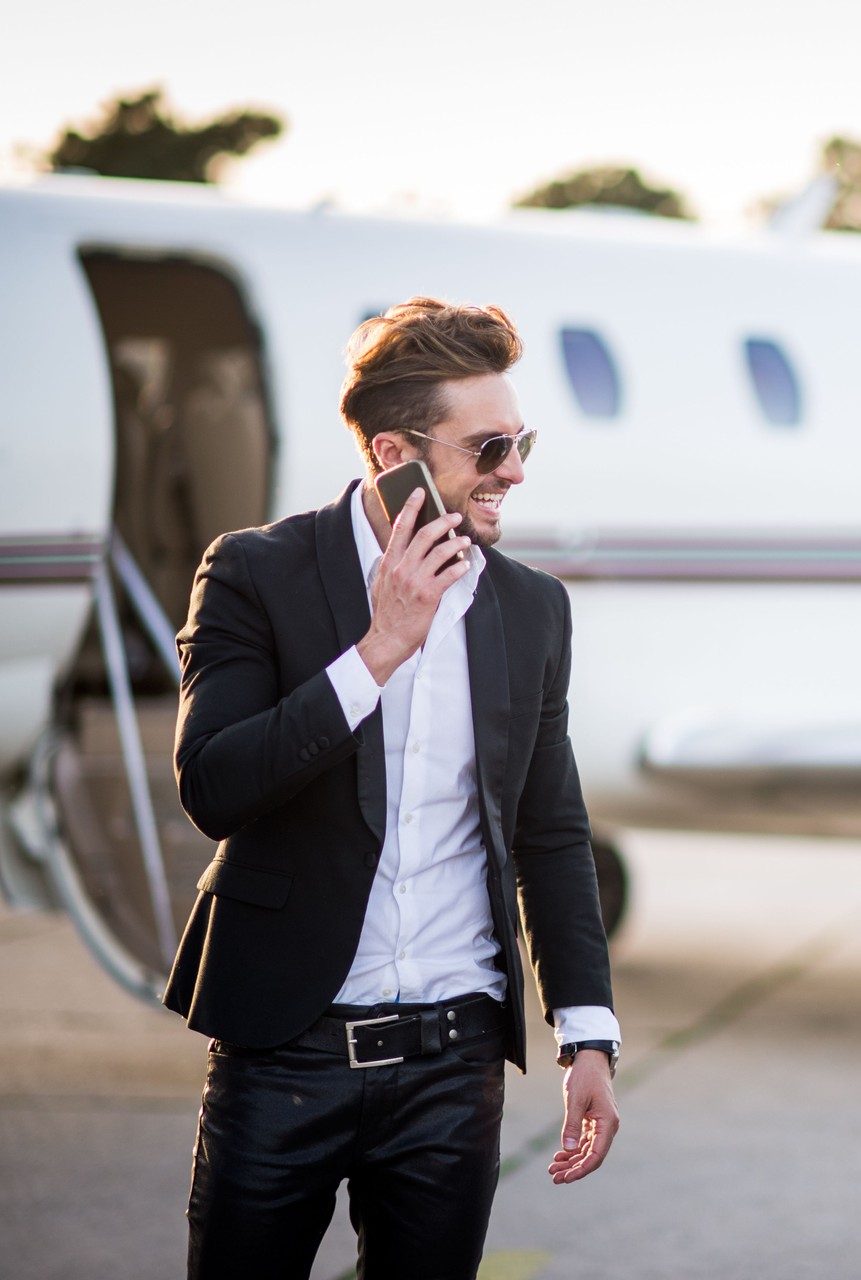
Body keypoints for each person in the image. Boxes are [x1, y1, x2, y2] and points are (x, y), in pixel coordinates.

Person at [166, 297, 622, 1278]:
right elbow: (213, 784)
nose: (515, 469)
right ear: (391, 452)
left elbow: (551, 830)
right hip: (284, 1049)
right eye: (490, 445)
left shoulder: (531, 607)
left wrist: (587, 1031)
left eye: (521, 438)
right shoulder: (255, 572)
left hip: (454, 1060)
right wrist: (376, 653)